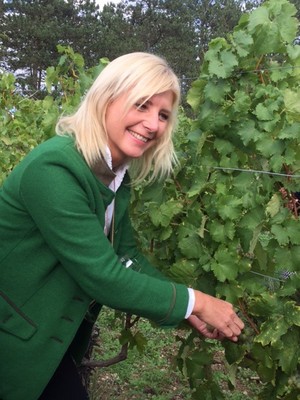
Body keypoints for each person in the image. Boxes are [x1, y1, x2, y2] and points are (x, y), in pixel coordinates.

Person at [0, 52, 244, 400]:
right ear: (107, 99)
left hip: (42, 339)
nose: (154, 124)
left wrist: (186, 313)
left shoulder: (116, 176)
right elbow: (103, 276)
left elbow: (126, 258)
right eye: (142, 105)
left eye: (163, 115)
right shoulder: (56, 169)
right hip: (12, 341)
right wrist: (196, 302)